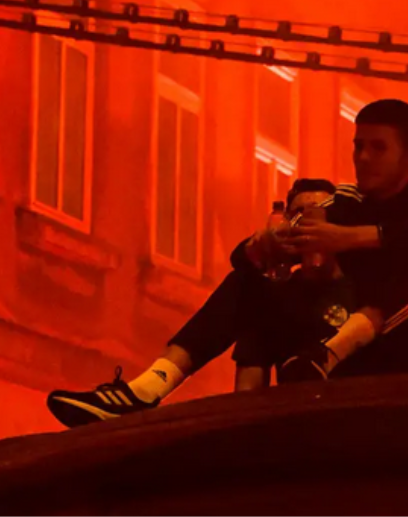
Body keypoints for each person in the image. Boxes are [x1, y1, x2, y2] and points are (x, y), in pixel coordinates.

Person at [43, 177, 353, 426]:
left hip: (352, 413)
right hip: (293, 425)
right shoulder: (271, 296)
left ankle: (146, 390)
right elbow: (248, 389)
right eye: (300, 216)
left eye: (320, 213)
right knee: (246, 282)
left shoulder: (362, 284)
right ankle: (149, 386)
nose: (310, 225)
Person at [268, 99, 408, 381]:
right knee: (253, 275)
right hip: (364, 360)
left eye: (378, 147)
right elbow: (297, 233)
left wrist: (353, 237)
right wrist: (271, 241)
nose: (364, 157)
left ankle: (332, 350)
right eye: (359, 146)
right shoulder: (347, 199)